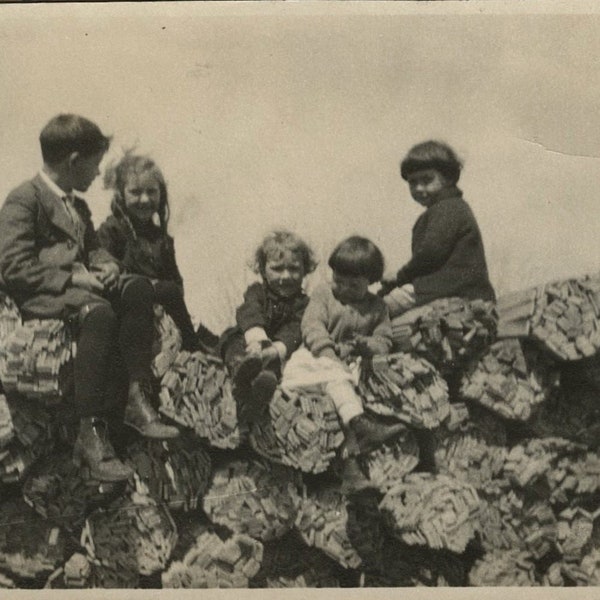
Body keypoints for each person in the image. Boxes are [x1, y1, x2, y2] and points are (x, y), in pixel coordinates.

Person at [0, 114, 177, 483]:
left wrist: (107, 266)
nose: (98, 175)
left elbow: (94, 248)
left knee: (136, 288)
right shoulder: (24, 200)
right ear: (74, 160)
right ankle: (90, 433)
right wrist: (71, 276)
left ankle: (135, 395)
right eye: (95, 164)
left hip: (78, 286)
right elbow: (13, 268)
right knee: (97, 313)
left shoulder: (76, 206)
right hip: (43, 296)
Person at [282, 236, 404, 454]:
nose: (345, 289)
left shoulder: (377, 307)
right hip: (317, 357)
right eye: (339, 281)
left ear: (370, 281)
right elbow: (312, 325)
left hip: (348, 366)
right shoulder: (324, 295)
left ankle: (356, 434)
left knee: (341, 385)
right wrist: (327, 352)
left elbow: (384, 339)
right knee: (297, 370)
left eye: (354, 285)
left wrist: (367, 346)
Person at [98, 152, 213, 353]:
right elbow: (107, 275)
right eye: (135, 192)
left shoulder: (161, 239)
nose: (145, 199)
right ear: (120, 195)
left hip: (162, 309)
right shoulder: (111, 231)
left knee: (212, 339)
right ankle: (192, 348)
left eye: (152, 192)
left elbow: (176, 282)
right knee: (167, 290)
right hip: (129, 306)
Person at [381, 140, 495, 317]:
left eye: (427, 180)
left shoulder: (448, 208)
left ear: (448, 178)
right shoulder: (449, 208)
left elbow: (430, 253)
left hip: (451, 290)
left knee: (375, 311)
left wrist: (399, 276)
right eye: (413, 182)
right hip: (449, 288)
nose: (419, 188)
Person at [219, 230, 316, 422]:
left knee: (272, 368)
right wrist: (257, 338)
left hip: (274, 351)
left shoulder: (304, 304)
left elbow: (295, 329)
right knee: (232, 342)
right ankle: (240, 369)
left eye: (294, 269)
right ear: (263, 270)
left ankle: (261, 390)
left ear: (305, 270)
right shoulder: (257, 292)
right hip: (248, 341)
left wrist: (275, 349)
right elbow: (250, 310)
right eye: (277, 269)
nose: (286, 276)